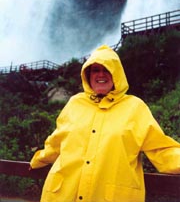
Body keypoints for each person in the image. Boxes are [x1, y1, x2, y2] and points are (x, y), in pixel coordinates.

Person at [30, 45, 180, 202]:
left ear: (117, 74)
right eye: (95, 70)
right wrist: (38, 159)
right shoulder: (75, 103)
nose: (101, 74)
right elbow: (56, 143)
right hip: (63, 195)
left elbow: (161, 148)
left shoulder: (135, 107)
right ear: (87, 75)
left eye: (107, 69)